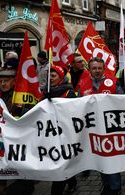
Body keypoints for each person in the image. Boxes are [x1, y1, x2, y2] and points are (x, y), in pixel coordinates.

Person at [78, 57, 122, 195]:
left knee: (112, 158)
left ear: (104, 68)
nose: (97, 71)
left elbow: (121, 102)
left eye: (99, 68)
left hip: (111, 128)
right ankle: (106, 185)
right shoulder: (82, 84)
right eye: (94, 68)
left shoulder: (114, 82)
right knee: (100, 158)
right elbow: (78, 105)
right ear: (89, 69)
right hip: (94, 129)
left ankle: (115, 188)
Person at [0, 69, 35, 195]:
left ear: (14, 82)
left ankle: (27, 184)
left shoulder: (22, 94)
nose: (3, 84)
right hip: (2, 139)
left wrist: (20, 109)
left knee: (21, 167)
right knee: (2, 164)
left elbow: (34, 114)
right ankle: (0, 184)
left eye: (6, 81)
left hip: (21, 139)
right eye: (0, 81)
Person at [42, 65, 78, 194]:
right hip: (51, 133)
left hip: (65, 134)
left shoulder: (69, 92)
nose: (50, 78)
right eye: (49, 76)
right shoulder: (45, 92)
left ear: (61, 77)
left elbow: (73, 112)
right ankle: (72, 181)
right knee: (62, 161)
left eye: (53, 75)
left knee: (61, 163)